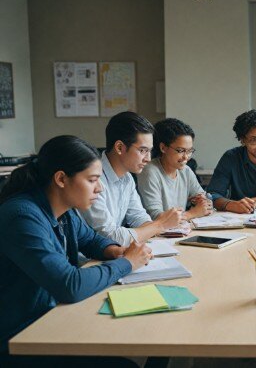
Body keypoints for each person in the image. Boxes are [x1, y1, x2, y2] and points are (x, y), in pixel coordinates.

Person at [0, 136, 150, 366]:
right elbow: (70, 285)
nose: (99, 188)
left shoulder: (64, 210)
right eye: (92, 180)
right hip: (20, 337)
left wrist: (114, 251)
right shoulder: (22, 216)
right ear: (61, 178)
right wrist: (126, 263)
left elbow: (91, 240)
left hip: (51, 318)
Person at [81, 111, 182, 245]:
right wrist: (159, 225)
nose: (148, 159)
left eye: (150, 151)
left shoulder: (127, 177)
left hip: (114, 254)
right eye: (142, 151)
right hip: (88, 261)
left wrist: (160, 227)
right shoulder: (92, 180)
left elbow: (138, 217)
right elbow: (110, 236)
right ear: (119, 147)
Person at [137, 118, 212, 220]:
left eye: (189, 151)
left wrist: (203, 201)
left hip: (180, 230)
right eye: (181, 150)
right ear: (163, 148)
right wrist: (192, 214)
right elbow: (156, 217)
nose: (186, 157)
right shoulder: (149, 171)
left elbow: (206, 203)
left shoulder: (186, 171)